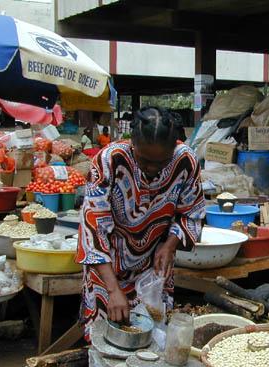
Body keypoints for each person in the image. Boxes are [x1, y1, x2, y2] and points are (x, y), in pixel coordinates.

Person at [76, 106, 205, 338]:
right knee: (105, 337)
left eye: (162, 162)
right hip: (107, 265)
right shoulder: (110, 161)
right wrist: (113, 289)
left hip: (152, 268)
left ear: (173, 147)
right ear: (132, 144)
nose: (153, 169)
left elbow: (192, 212)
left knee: (152, 334)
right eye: (144, 161)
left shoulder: (185, 161)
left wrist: (169, 245)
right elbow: (93, 229)